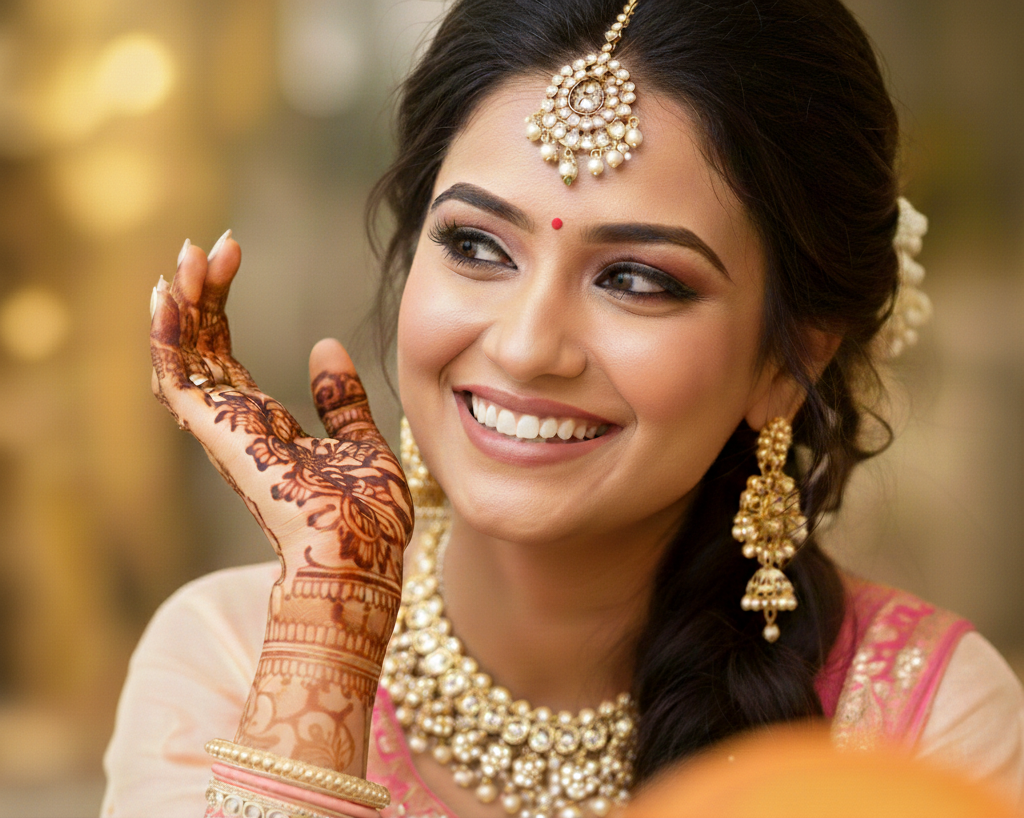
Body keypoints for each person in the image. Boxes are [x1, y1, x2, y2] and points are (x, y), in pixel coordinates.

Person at [103, 0, 1024, 816]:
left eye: (637, 279)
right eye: (477, 246)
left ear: (790, 362)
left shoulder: (922, 727)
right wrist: (328, 630)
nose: (525, 346)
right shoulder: (233, 659)